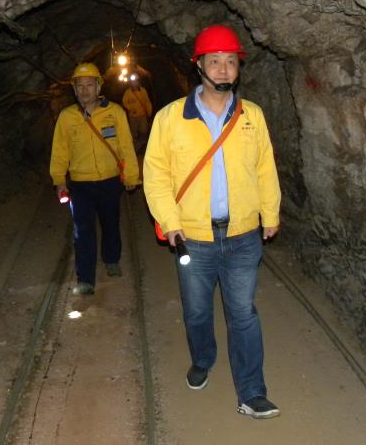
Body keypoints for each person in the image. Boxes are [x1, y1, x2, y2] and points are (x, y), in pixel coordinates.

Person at [143, 25, 282, 419]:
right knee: (198, 311)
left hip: (242, 236)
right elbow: (156, 174)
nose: (223, 69)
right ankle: (203, 358)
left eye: (231, 61)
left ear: (239, 68)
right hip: (193, 238)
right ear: (198, 66)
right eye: (215, 61)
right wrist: (170, 221)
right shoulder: (171, 118)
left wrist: (270, 212)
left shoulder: (252, 116)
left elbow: (265, 168)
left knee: (243, 313)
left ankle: (252, 392)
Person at [50, 62, 140, 295]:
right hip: (80, 185)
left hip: (110, 181)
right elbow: (60, 151)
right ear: (74, 89)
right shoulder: (67, 117)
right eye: (80, 86)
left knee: (111, 223)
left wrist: (131, 175)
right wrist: (59, 180)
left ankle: (111, 259)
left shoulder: (115, 112)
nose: (84, 90)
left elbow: (126, 146)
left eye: (89, 85)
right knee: (83, 231)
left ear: (99, 86)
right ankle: (85, 278)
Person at [121, 76, 153, 153]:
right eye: (133, 82)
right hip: (133, 116)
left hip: (142, 115)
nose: (135, 83)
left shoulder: (143, 91)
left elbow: (147, 101)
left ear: (138, 82)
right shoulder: (128, 92)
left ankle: (142, 146)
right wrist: (131, 109)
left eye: (136, 82)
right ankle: (135, 148)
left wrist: (149, 112)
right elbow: (124, 102)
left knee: (144, 131)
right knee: (134, 133)